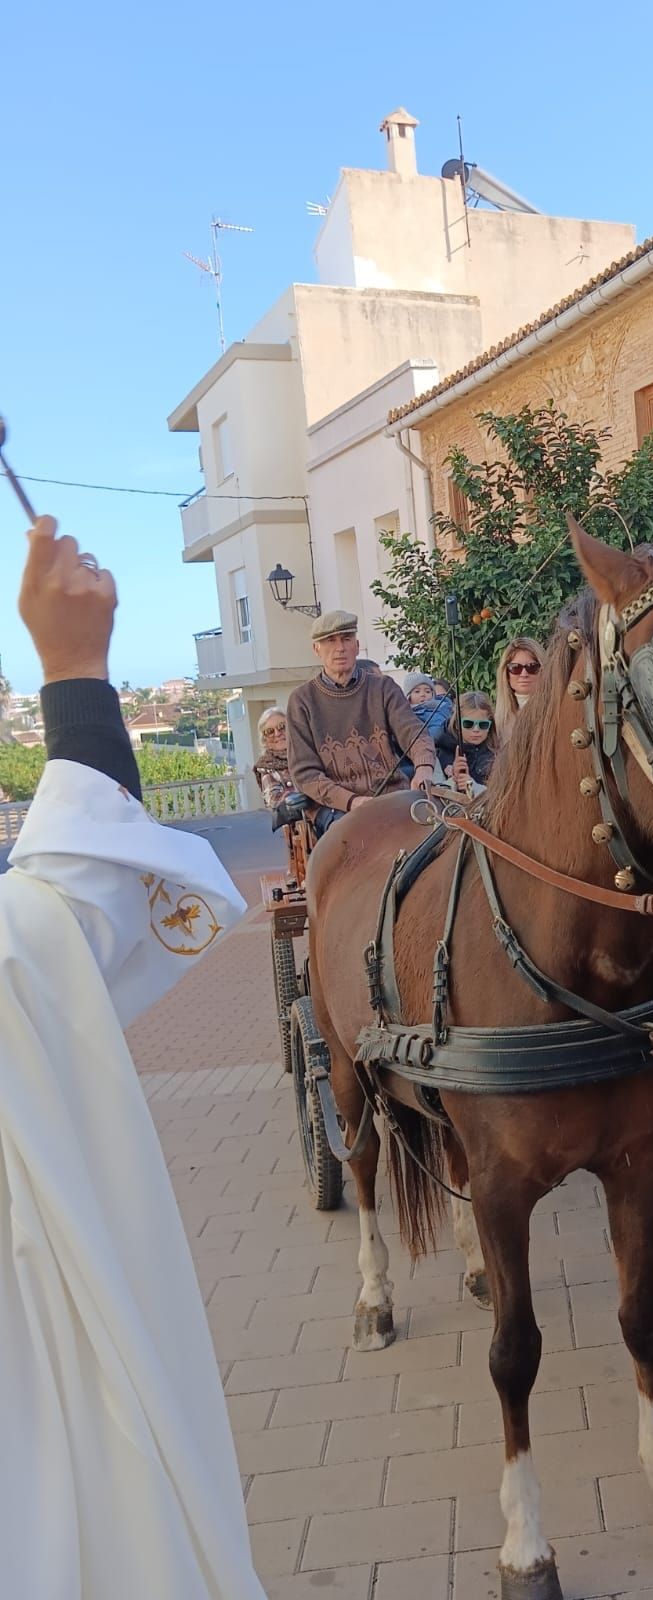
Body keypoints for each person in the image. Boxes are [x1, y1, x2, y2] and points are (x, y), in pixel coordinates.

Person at [2, 516, 265, 1599]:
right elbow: (73, 913)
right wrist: (76, 672)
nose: (343, 657)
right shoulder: (318, 698)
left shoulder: (382, 692)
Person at [286, 611, 436, 835]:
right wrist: (352, 801)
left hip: (393, 796)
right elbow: (305, 773)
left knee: (440, 840)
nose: (340, 648)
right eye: (330, 640)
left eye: (346, 639)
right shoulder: (302, 700)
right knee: (358, 845)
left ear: (356, 646)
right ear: (316, 649)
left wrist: (424, 768)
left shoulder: (384, 688)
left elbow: (414, 732)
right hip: (336, 808)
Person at [494, 634, 547, 742]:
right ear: (506, 674)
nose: (524, 674)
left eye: (533, 667)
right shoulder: (497, 722)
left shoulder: (554, 714)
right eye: (515, 668)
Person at [444, 690, 498, 794]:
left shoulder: (496, 755)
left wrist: (472, 787)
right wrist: (454, 780)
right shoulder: (441, 751)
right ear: (457, 724)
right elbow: (434, 792)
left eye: (483, 725)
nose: (476, 729)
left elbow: (498, 797)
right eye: (469, 724)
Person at [252, 704, 292, 809]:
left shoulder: (307, 754)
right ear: (264, 739)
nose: (277, 734)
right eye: (270, 732)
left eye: (282, 727)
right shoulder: (266, 767)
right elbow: (275, 801)